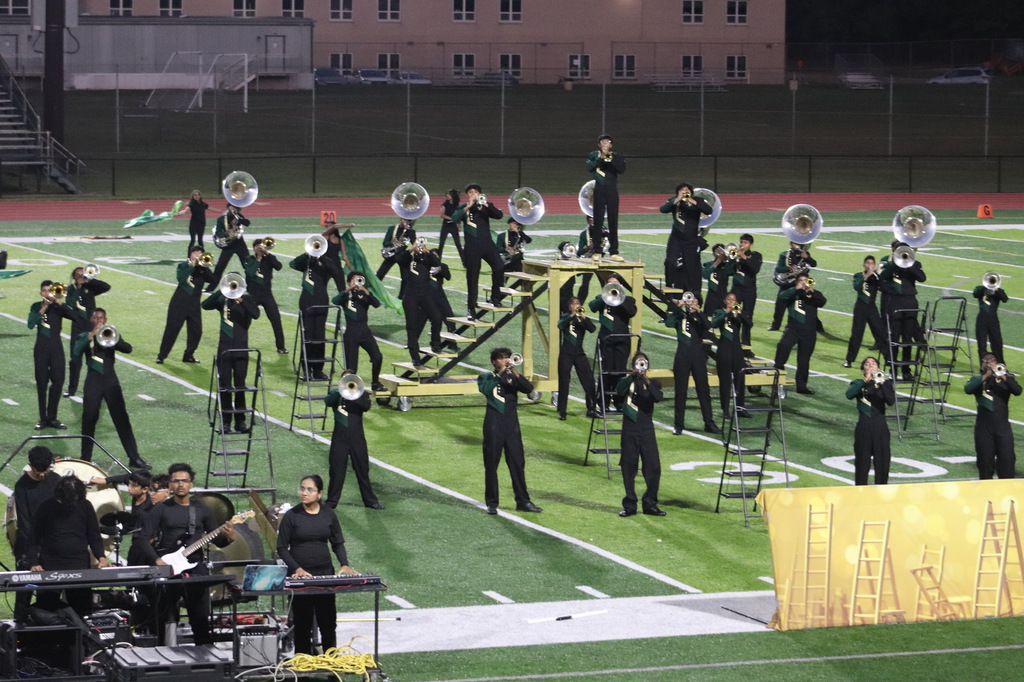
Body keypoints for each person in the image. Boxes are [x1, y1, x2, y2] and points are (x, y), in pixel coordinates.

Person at [140, 463, 236, 645]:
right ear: (170, 484)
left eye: (184, 481)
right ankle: (162, 654)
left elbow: (217, 539)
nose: (180, 484)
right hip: (168, 568)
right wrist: (157, 560)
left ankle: (204, 652)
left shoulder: (201, 509)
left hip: (195, 568)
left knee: (200, 618)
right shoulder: (161, 508)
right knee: (163, 618)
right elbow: (143, 539)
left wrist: (230, 537)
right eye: (176, 481)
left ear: (191, 484)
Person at [277, 475, 357, 655]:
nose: (304, 493)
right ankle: (303, 662)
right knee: (302, 624)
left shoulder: (328, 514)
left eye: (309, 490)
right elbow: (281, 547)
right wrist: (297, 569)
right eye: (302, 488)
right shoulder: (292, 516)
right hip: (300, 578)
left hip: (324, 575)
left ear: (319, 494)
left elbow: (337, 542)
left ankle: (330, 662)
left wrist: (344, 564)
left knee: (328, 623)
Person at [73, 308, 151, 469]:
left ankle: (134, 457)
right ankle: (85, 458)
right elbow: (76, 352)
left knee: (121, 419)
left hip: (111, 382)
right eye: (96, 318)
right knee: (89, 419)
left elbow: (128, 348)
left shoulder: (111, 334)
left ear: (106, 320)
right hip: (93, 382)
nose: (99, 320)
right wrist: (92, 334)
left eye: (101, 318)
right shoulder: (84, 336)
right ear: (91, 320)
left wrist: (114, 339)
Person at [28, 475, 110, 616]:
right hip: (51, 565)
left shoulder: (85, 505)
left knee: (81, 610)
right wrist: (34, 563)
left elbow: (94, 535)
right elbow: (33, 538)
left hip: (78, 564)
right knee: (47, 609)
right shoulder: (45, 507)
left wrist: (101, 557)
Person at [477, 348, 542, 515]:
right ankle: (492, 503)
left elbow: (528, 388)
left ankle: (523, 501)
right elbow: (486, 390)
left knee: (517, 463)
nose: (505, 360)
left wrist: (514, 371)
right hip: (493, 425)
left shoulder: (512, 376)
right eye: (501, 358)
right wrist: (500, 373)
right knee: (491, 464)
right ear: (494, 361)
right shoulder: (486, 377)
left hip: (512, 426)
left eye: (507, 357)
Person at [202, 279, 261, 434]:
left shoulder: (247, 299)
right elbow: (205, 305)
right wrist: (221, 291)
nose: (233, 287)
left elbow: (256, 314)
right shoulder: (223, 299)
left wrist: (241, 300)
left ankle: (240, 421)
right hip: (225, 349)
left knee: (240, 385)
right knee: (225, 386)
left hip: (241, 348)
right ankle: (226, 422)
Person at [11, 446, 59, 623]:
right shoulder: (22, 486)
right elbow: (25, 524)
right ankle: (19, 627)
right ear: (30, 466)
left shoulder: (56, 481)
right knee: (24, 592)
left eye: (46, 470)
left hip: (51, 546)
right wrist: (33, 559)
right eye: (39, 471)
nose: (43, 475)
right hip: (28, 546)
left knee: (49, 595)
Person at [323, 372, 384, 510]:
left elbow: (366, 406)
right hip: (339, 438)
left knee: (363, 470)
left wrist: (353, 394)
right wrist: (341, 392)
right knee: (336, 470)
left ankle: (370, 501)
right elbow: (327, 401)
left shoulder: (362, 394)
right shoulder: (335, 394)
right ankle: (332, 501)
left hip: (357, 438)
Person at [615, 352, 665, 517]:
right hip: (630, 428)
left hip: (647, 428)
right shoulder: (626, 381)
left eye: (643, 364)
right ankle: (630, 505)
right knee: (628, 467)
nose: (640, 367)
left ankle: (650, 503)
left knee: (654, 467)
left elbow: (658, 397)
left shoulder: (653, 383)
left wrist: (647, 380)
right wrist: (632, 376)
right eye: (638, 363)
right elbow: (619, 391)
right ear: (632, 366)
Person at [663, 295, 719, 435]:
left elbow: (709, 326)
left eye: (693, 300)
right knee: (680, 390)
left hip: (698, 356)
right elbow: (668, 323)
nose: (690, 302)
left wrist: (699, 311)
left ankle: (709, 423)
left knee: (703, 390)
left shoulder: (700, 317)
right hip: (682, 355)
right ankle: (679, 424)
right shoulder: (680, 316)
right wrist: (678, 307)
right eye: (689, 300)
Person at [290, 245, 344, 382]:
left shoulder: (326, 262)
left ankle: (318, 370)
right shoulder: (306, 262)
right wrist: (307, 254)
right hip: (306, 300)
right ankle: (306, 369)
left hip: (321, 300)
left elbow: (336, 272)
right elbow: (293, 264)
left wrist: (322, 257)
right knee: (307, 336)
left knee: (320, 336)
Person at [450, 184, 505, 320]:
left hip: (487, 244)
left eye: (475, 192)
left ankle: (495, 297)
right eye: (470, 192)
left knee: (499, 267)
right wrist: (468, 205)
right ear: (467, 195)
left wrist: (486, 204)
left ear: (480, 194)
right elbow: (454, 219)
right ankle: (471, 308)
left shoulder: (485, 205)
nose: (473, 194)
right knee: (472, 277)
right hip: (472, 247)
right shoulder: (463, 207)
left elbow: (499, 215)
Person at [966, 353, 1022, 480]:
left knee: (1007, 461)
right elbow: (968, 389)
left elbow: (1017, 390)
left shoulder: (1006, 378)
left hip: (1003, 428)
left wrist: (1003, 375)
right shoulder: (978, 379)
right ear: (982, 364)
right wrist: (986, 375)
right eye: (987, 361)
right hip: (983, 429)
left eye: (992, 360)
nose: (990, 363)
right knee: (985, 463)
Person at [28, 280, 75, 430]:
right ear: (41, 293)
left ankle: (52, 417)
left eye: (50, 290)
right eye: (45, 290)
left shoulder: (58, 307)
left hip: (56, 348)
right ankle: (43, 419)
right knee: (41, 384)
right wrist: (44, 308)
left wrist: (59, 302)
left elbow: (75, 316)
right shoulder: (36, 306)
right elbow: (31, 324)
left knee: (58, 382)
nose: (47, 293)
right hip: (41, 349)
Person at [156, 246, 215, 365]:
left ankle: (188, 355)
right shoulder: (183, 265)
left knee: (196, 331)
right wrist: (192, 265)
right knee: (172, 329)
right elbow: (181, 279)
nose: (198, 254)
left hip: (194, 305)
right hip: (179, 303)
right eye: (196, 252)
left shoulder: (202, 268)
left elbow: (212, 279)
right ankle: (161, 356)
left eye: (200, 252)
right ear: (191, 254)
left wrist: (204, 266)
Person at [588, 275, 637, 410]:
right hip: (606, 340)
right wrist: (605, 297)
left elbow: (632, 312)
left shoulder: (628, 299)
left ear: (621, 285)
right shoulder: (601, 298)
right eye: (609, 284)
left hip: (622, 340)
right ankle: (603, 401)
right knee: (606, 370)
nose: (612, 286)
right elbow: (592, 307)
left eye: (615, 284)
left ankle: (619, 401)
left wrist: (619, 297)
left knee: (620, 371)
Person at [879, 244, 927, 381]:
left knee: (907, 338)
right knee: (894, 337)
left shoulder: (915, 263)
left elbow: (922, 278)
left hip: (910, 301)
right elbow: (883, 277)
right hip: (895, 301)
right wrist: (895, 264)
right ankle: (893, 369)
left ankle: (906, 370)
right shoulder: (890, 264)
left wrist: (908, 264)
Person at [845, 357, 896, 485]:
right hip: (864, 427)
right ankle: (860, 489)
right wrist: (865, 381)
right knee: (862, 462)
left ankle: (881, 489)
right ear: (863, 370)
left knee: (883, 462)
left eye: (874, 364)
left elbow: (890, 401)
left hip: (881, 427)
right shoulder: (858, 383)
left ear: (878, 368)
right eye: (867, 364)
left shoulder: (886, 384)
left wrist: (881, 383)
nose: (871, 366)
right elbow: (849, 395)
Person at [774, 274, 826, 395]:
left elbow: (822, 302)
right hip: (792, 329)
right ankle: (778, 377)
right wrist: (796, 288)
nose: (804, 282)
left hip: (809, 331)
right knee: (783, 346)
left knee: (804, 360)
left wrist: (811, 291)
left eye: (806, 280)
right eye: (801, 280)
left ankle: (802, 386)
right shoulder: (792, 293)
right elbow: (782, 297)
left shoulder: (813, 294)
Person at [333, 272, 386, 392]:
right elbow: (335, 300)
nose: (356, 282)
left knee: (377, 357)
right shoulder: (345, 295)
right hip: (351, 333)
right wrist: (349, 289)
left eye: (358, 279)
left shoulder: (364, 294)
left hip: (364, 331)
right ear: (349, 282)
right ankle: (350, 391)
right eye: (353, 280)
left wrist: (366, 291)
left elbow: (376, 304)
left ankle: (375, 383)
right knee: (351, 368)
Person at [395, 240, 444, 365]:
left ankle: (435, 344)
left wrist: (428, 251)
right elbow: (399, 259)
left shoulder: (426, 258)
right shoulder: (408, 258)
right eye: (418, 244)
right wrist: (412, 250)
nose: (420, 247)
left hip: (424, 294)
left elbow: (437, 264)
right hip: (410, 295)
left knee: (437, 317)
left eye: (421, 245)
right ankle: (415, 356)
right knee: (411, 326)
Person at [65, 266, 111, 398]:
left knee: (96, 360)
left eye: (83, 274)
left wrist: (90, 280)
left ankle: (101, 389)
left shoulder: (90, 287)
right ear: (74, 277)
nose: (81, 277)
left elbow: (106, 287)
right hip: (77, 329)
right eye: (78, 275)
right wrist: (79, 287)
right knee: (75, 360)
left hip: (92, 328)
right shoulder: (70, 290)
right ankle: (71, 390)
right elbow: (70, 303)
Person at [660, 182, 712, 293]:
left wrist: (692, 201)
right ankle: (669, 284)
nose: (685, 192)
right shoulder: (674, 201)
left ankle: (690, 292)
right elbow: (663, 209)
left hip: (690, 239)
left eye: (687, 190)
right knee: (670, 261)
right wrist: (677, 199)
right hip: (676, 238)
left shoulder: (697, 200)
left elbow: (708, 210)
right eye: (682, 190)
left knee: (690, 267)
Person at [556, 298, 599, 420]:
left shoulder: (582, 319)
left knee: (589, 380)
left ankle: (591, 408)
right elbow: (560, 325)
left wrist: (583, 317)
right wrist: (572, 315)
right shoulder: (565, 317)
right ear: (570, 306)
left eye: (578, 304)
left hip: (579, 353)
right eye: (574, 304)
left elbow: (592, 329)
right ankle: (562, 411)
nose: (576, 305)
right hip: (566, 353)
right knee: (564, 381)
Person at [244, 237, 288, 354]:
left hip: (267, 294)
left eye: (261, 246)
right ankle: (242, 344)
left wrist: (267, 254)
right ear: (254, 248)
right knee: (246, 320)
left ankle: (281, 347)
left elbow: (278, 266)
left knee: (276, 320)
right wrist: (258, 258)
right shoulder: (249, 259)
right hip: (253, 294)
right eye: (257, 247)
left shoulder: (269, 258)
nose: (260, 249)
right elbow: (250, 273)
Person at [586, 134, 626, 261]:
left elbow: (621, 169)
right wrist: (601, 157)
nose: (605, 144)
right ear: (599, 145)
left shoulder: (617, 156)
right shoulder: (593, 155)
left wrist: (610, 158)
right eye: (602, 142)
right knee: (598, 220)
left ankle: (614, 251)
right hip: (599, 190)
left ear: (611, 145)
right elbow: (589, 168)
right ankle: (597, 250)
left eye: (607, 142)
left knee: (613, 220)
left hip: (612, 190)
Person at [711, 293, 751, 418]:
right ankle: (725, 410)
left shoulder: (739, 312)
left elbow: (749, 324)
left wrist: (739, 312)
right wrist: (727, 312)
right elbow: (714, 323)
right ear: (725, 301)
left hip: (737, 349)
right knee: (725, 380)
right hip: (724, 349)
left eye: (734, 300)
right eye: (729, 299)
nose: (731, 301)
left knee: (740, 379)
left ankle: (740, 408)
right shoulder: (719, 312)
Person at [844, 256, 886, 368]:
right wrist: (866, 276)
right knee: (856, 335)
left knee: (880, 333)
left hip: (872, 308)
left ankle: (888, 359)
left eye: (872, 263)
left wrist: (878, 276)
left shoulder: (876, 277)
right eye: (868, 263)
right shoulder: (859, 275)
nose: (870, 265)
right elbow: (857, 287)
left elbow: (884, 288)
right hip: (860, 308)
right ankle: (849, 360)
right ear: (864, 264)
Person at [769, 241, 817, 331]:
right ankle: (775, 326)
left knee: (803, 306)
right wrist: (789, 268)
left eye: (798, 243)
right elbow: (779, 268)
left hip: (800, 285)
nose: (797, 245)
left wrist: (807, 257)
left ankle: (815, 326)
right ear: (791, 244)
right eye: (795, 243)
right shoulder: (784, 254)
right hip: (786, 283)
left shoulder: (805, 254)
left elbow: (814, 264)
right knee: (780, 305)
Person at [207, 204, 251, 290]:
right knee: (220, 266)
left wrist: (239, 220)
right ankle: (211, 287)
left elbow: (247, 223)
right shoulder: (221, 219)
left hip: (240, 244)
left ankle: (251, 287)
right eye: (231, 207)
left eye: (236, 207)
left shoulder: (239, 217)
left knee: (248, 265)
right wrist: (226, 233)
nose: (234, 209)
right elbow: (218, 233)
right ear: (228, 208)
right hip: (228, 245)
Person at [730, 234, 762, 352]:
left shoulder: (756, 255)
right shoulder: (734, 255)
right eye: (741, 242)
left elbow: (755, 269)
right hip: (736, 291)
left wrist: (743, 256)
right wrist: (730, 260)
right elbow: (729, 271)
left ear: (750, 244)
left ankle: (746, 347)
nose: (742, 245)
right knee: (734, 315)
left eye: (745, 243)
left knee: (747, 317)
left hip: (749, 291)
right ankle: (732, 343)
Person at [973, 278, 1008, 365]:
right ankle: (983, 367)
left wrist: (996, 289)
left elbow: (1005, 299)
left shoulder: (998, 291)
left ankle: (1000, 365)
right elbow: (975, 294)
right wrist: (985, 287)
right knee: (982, 344)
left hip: (993, 319)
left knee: (997, 343)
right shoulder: (980, 289)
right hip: (981, 319)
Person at [376, 217, 416, 284]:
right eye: (404, 219)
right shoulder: (392, 228)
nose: (406, 222)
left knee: (406, 277)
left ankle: (404, 291)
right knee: (380, 274)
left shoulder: (411, 231)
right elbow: (385, 243)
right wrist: (393, 242)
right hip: (391, 254)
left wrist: (410, 231)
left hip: (402, 256)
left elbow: (414, 243)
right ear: (401, 219)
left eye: (408, 220)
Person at [702, 244, 735, 322]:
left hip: (723, 295)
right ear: (713, 253)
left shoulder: (727, 266)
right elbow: (705, 275)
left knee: (722, 318)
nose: (720, 253)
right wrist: (718, 261)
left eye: (721, 251)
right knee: (708, 317)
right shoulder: (708, 264)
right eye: (717, 251)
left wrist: (730, 259)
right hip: (711, 295)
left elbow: (731, 272)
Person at [437, 188, 464, 262]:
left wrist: (459, 226)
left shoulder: (457, 205)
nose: (447, 196)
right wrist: (451, 218)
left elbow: (459, 217)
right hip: (446, 226)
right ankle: (438, 261)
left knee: (458, 244)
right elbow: (442, 215)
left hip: (454, 226)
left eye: (448, 194)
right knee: (441, 244)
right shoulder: (444, 205)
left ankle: (464, 262)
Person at [179, 189, 209, 255]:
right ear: (193, 196)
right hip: (193, 224)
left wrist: (220, 211)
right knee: (193, 240)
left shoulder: (203, 204)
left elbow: (210, 208)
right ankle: (189, 256)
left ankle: (202, 256)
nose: (197, 196)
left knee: (200, 240)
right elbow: (185, 211)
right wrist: (178, 213)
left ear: (200, 196)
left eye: (198, 195)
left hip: (201, 224)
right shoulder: (191, 204)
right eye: (195, 195)